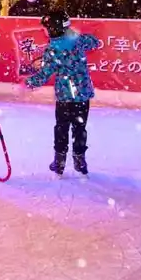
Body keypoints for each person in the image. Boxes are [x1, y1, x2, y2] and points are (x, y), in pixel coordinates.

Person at [25, 11, 100, 177]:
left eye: (47, 28)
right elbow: (95, 42)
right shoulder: (78, 40)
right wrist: (76, 35)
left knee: (61, 127)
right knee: (80, 128)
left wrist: (28, 83)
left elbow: (44, 74)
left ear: (54, 28)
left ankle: (60, 161)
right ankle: (80, 160)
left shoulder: (53, 49)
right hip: (82, 94)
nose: (45, 31)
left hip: (65, 96)